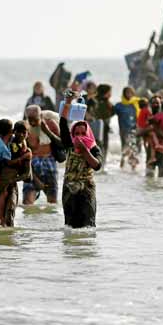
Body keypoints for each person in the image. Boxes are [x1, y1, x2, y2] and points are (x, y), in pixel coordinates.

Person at [59, 93, 104, 228]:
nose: (79, 137)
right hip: (69, 189)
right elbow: (62, 123)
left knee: (88, 225)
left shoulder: (94, 148)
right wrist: (67, 102)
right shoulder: (69, 144)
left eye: (83, 134)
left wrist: (85, 151)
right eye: (76, 134)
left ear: (88, 134)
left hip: (86, 190)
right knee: (70, 225)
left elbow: (97, 166)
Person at [23, 105, 60, 204]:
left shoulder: (51, 124)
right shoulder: (25, 128)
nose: (32, 123)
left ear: (41, 116)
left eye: (35, 120)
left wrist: (47, 131)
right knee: (27, 203)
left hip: (49, 162)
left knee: (52, 202)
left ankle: (48, 220)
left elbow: (61, 144)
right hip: (32, 165)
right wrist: (34, 178)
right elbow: (23, 155)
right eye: (30, 120)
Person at [114, 87, 141, 168]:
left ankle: (133, 168)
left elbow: (143, 115)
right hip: (124, 130)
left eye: (131, 92)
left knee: (135, 149)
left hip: (136, 130)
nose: (129, 94)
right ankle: (122, 166)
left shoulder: (136, 103)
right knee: (125, 149)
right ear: (124, 94)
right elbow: (109, 113)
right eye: (127, 92)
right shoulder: (119, 106)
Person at [93, 84, 115, 165]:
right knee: (102, 146)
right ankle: (100, 164)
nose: (111, 94)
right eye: (109, 92)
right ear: (105, 92)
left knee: (100, 146)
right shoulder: (102, 102)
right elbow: (107, 114)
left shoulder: (104, 101)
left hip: (102, 127)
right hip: (100, 127)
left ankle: (100, 164)